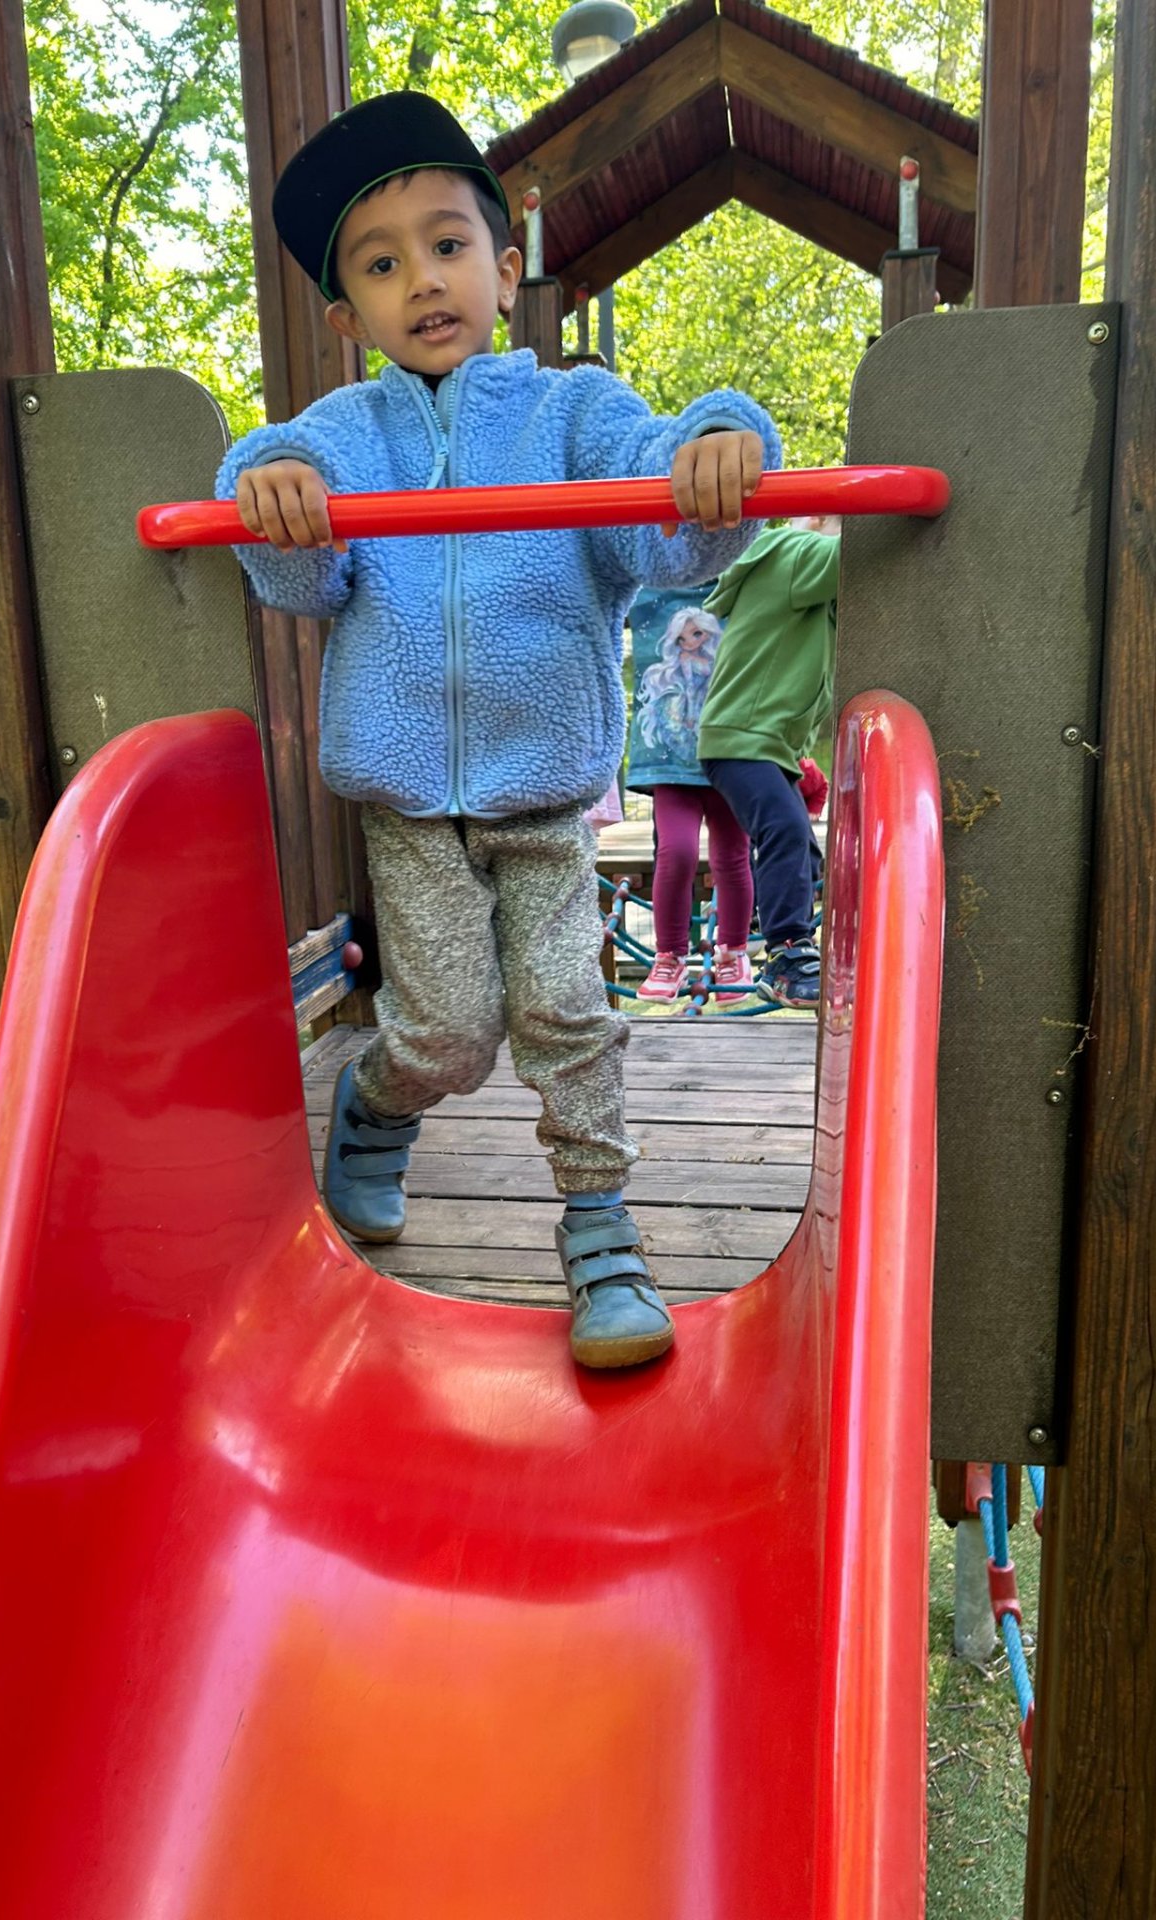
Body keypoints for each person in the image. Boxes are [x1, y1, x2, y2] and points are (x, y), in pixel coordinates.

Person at [216, 92, 780, 1368]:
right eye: (381, 265)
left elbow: (667, 526)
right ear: (347, 317)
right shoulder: (341, 439)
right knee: (447, 1033)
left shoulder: (572, 417)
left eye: (446, 244)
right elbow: (297, 570)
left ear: (505, 269)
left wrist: (719, 444)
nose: (422, 279)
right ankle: (377, 1105)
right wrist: (270, 491)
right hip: (410, 803)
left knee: (567, 1012)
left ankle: (602, 1233)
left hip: (544, 792)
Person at [697, 514, 840, 1008]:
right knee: (783, 829)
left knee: (802, 846)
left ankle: (776, 924)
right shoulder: (795, 553)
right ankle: (787, 954)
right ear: (816, 519)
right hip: (743, 738)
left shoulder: (809, 593)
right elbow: (852, 556)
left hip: (765, 745)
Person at [624, 593, 754, 1001]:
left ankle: (732, 951)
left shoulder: (738, 584)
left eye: (698, 634)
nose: (691, 642)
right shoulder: (647, 590)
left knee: (732, 854)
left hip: (727, 755)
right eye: (684, 637)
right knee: (676, 851)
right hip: (671, 763)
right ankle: (669, 956)